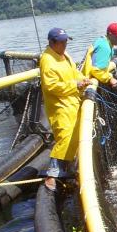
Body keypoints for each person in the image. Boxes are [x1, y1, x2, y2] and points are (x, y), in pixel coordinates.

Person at [40, 27, 91, 192]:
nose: (65, 45)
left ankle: (69, 172)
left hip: (72, 102)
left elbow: (74, 71)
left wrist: (83, 80)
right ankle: (51, 175)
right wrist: (75, 85)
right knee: (65, 138)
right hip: (60, 106)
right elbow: (51, 86)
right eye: (61, 42)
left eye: (66, 41)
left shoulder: (65, 55)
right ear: (52, 42)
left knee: (76, 137)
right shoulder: (47, 60)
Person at [81, 22, 117, 88]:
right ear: (110, 34)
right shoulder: (105, 47)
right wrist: (110, 78)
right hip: (85, 82)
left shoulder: (102, 41)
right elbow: (95, 70)